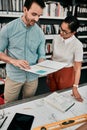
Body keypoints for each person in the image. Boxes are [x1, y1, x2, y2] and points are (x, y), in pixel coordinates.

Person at [0, 0, 46, 103]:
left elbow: (41, 54)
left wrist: (42, 62)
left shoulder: (40, 33)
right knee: (9, 106)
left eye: (39, 15)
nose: (36, 19)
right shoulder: (8, 29)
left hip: (32, 78)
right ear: (25, 9)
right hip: (14, 76)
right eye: (34, 14)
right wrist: (14, 61)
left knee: (29, 104)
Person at [47, 16, 83, 102]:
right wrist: (49, 73)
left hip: (66, 74)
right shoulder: (56, 39)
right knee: (53, 97)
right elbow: (53, 56)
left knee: (64, 99)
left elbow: (78, 69)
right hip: (53, 71)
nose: (61, 33)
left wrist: (75, 87)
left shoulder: (77, 45)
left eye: (65, 32)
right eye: (61, 29)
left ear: (73, 32)